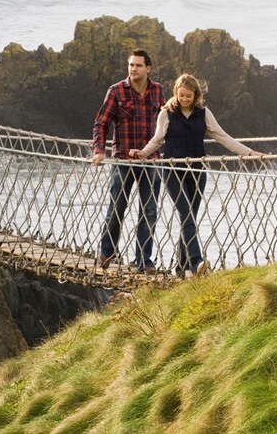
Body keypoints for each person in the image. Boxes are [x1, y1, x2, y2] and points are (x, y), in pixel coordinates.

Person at [130, 73, 262, 278]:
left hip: (198, 171)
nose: (184, 99)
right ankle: (196, 261)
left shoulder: (204, 113)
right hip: (174, 170)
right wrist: (142, 153)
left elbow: (223, 137)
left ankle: (181, 269)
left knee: (189, 218)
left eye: (188, 96)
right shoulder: (166, 114)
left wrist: (250, 153)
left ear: (196, 95)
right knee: (186, 214)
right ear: (176, 93)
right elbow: (157, 140)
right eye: (181, 95)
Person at [92, 49, 164, 274]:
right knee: (117, 208)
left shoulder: (158, 90)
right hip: (123, 160)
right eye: (131, 65)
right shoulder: (116, 91)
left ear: (148, 68)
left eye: (138, 65)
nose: (133, 69)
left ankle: (144, 261)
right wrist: (99, 150)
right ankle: (107, 251)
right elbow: (100, 124)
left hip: (151, 161)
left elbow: (164, 125)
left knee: (149, 211)